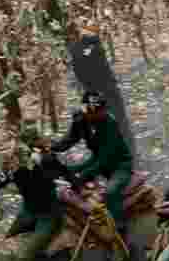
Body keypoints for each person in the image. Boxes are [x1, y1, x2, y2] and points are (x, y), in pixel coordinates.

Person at [42, 89, 134, 231]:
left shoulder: (110, 125)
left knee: (111, 192)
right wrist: (51, 148)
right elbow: (70, 139)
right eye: (98, 111)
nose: (102, 113)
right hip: (96, 160)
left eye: (102, 110)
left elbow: (105, 159)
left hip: (118, 164)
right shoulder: (80, 118)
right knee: (67, 178)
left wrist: (82, 174)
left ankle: (120, 225)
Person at [5, 122, 69, 261]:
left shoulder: (44, 160)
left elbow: (60, 173)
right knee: (7, 240)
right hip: (29, 211)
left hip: (48, 214)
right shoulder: (17, 166)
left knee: (26, 255)